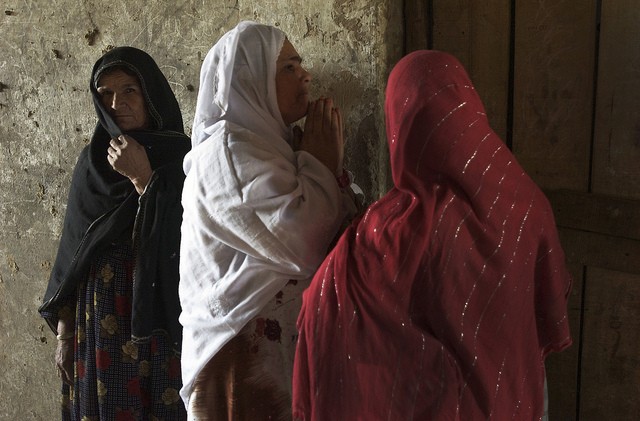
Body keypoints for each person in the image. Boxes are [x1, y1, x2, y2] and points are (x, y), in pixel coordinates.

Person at [292, 50, 573, 420]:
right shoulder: (526, 204)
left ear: (400, 123)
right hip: (516, 398)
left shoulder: (386, 233)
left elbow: (325, 300)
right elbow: (541, 313)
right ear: (469, 107)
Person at [178, 21, 361, 420]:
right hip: (239, 359)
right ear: (249, 79)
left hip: (281, 354)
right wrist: (320, 164)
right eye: (289, 68)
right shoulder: (225, 157)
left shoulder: (277, 148)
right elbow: (304, 242)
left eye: (300, 65)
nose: (306, 75)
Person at [39, 46, 190, 420]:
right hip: (101, 319)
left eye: (129, 91)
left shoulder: (186, 159)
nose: (116, 102)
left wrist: (143, 178)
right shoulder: (92, 163)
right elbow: (74, 254)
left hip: (164, 318)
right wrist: (64, 333)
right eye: (105, 93)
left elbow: (194, 238)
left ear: (151, 94)